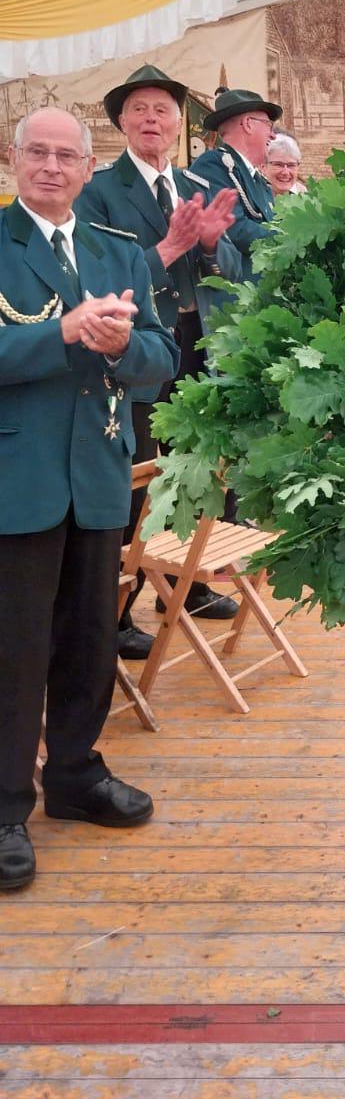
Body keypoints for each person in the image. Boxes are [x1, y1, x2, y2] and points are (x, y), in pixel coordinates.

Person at [0, 108, 178, 892]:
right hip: (20, 481)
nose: (50, 166)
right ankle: (6, 809)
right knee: (14, 652)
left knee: (88, 641)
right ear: (14, 160)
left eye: (65, 155)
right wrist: (65, 334)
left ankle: (74, 773)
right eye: (36, 152)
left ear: (85, 165)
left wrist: (123, 345)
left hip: (99, 476)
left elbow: (160, 359)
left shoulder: (117, 252)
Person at [74, 67, 242, 648]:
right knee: (137, 481)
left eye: (163, 110)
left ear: (180, 123)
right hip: (141, 354)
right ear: (121, 121)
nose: (152, 119)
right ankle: (117, 615)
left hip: (202, 350)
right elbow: (97, 283)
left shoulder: (196, 182)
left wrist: (216, 244)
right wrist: (170, 246)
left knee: (201, 472)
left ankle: (190, 585)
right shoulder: (97, 192)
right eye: (139, 109)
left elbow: (235, 275)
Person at [188, 88, 281, 281]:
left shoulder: (258, 180)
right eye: (269, 126)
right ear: (248, 124)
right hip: (234, 298)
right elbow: (235, 228)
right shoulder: (214, 165)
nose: (273, 136)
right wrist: (291, 239)